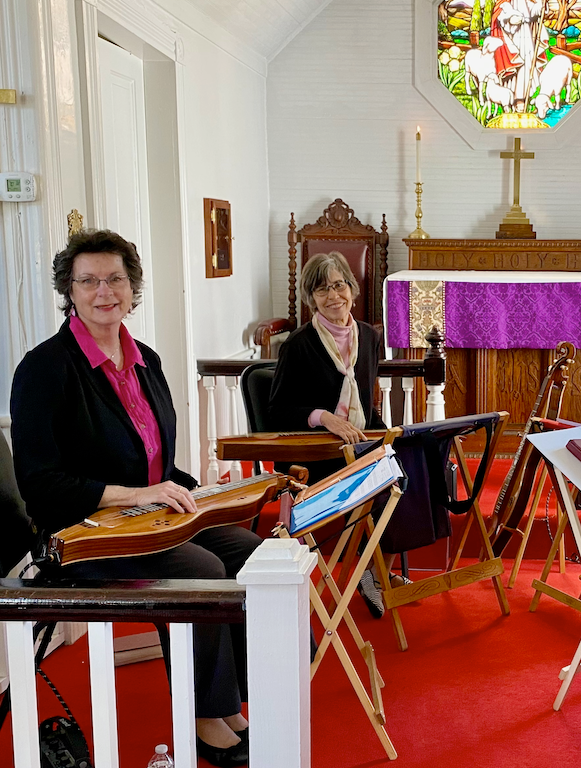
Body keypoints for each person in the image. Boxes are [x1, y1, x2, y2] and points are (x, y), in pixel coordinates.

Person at [11, 229, 258, 768]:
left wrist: (202, 492)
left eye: (116, 278)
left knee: (249, 550)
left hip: (147, 515)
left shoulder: (144, 358)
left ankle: (234, 699)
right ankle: (202, 717)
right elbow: (41, 483)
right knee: (202, 568)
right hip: (80, 535)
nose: (105, 291)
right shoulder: (43, 369)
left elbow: (158, 464)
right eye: (89, 280)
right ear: (69, 291)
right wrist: (139, 493)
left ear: (132, 286)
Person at [268, 252, 389, 615]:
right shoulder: (298, 345)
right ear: (311, 299)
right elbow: (277, 411)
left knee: (403, 471)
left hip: (357, 444)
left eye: (339, 285)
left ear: (351, 289)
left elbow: (367, 406)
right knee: (377, 484)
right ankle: (369, 570)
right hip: (315, 455)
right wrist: (324, 418)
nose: (334, 296)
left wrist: (391, 435)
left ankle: (378, 569)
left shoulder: (368, 336)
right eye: (322, 290)